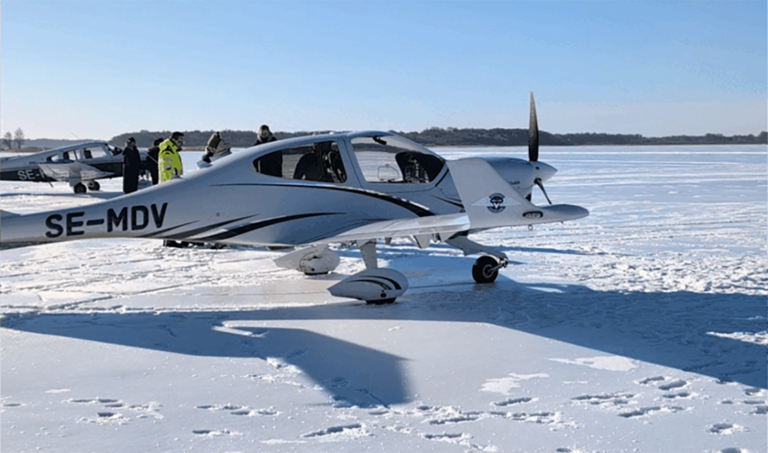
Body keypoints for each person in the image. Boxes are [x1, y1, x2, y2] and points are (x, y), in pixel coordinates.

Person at [158, 132, 186, 248]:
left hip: (172, 186)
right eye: (180, 140)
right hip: (169, 187)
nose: (181, 143)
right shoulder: (167, 151)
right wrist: (173, 183)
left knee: (173, 213)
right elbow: (167, 169)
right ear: (174, 140)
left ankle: (172, 238)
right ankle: (168, 240)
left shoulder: (172, 150)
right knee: (169, 214)